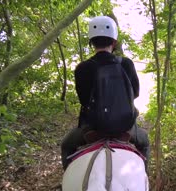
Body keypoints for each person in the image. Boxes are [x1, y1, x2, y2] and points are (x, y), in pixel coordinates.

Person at [61, 16, 150, 171]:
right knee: (145, 143)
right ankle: (144, 180)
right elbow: (135, 93)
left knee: (66, 146)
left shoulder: (82, 68)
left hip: (92, 128)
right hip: (125, 128)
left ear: (92, 42)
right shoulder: (126, 64)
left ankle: (67, 182)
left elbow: (84, 100)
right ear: (114, 42)